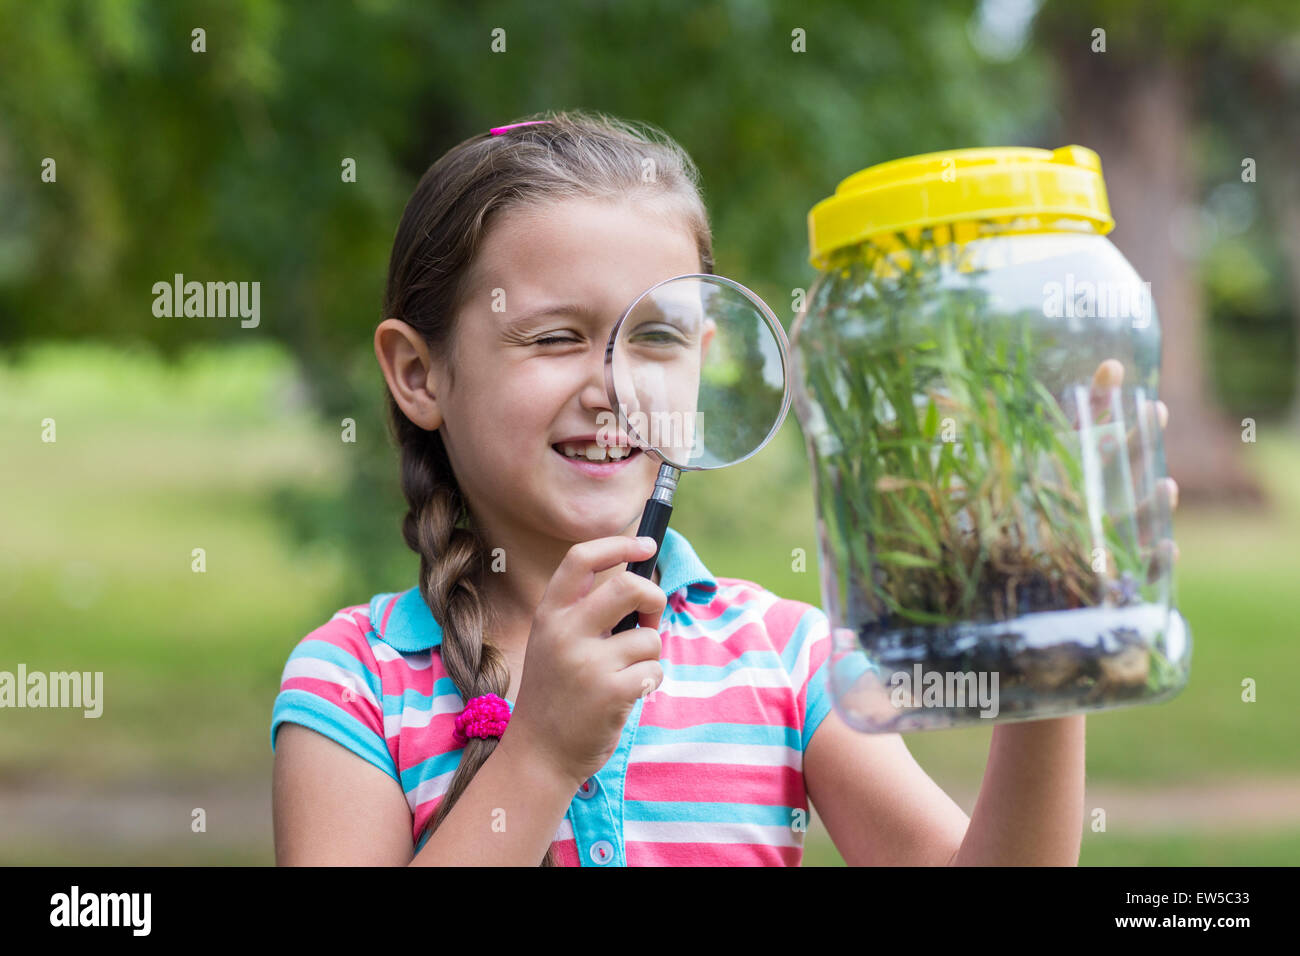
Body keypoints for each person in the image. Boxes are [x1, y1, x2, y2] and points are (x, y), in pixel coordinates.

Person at [270, 109, 1178, 866]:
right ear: (418, 374)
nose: (615, 385)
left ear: (704, 361)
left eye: (658, 338)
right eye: (554, 338)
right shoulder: (353, 685)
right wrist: (540, 752)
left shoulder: (784, 660)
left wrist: (1058, 631)